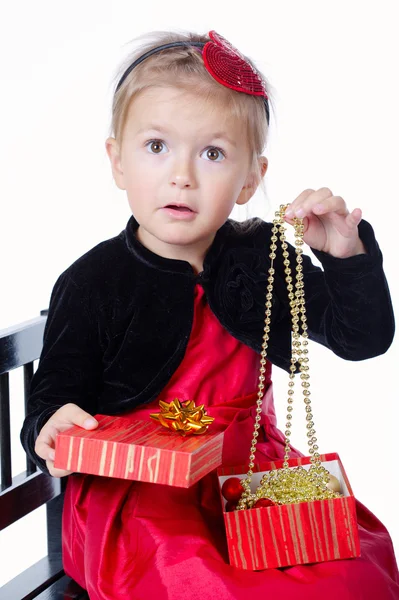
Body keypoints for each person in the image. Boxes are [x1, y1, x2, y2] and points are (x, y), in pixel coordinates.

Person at [20, 29, 398, 600]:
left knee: (352, 572)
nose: (182, 176)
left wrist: (343, 257)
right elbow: (55, 396)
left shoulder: (265, 259)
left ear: (250, 178)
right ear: (117, 160)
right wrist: (52, 426)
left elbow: (361, 338)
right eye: (156, 147)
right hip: (143, 489)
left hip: (250, 466)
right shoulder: (94, 282)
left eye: (213, 154)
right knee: (202, 582)